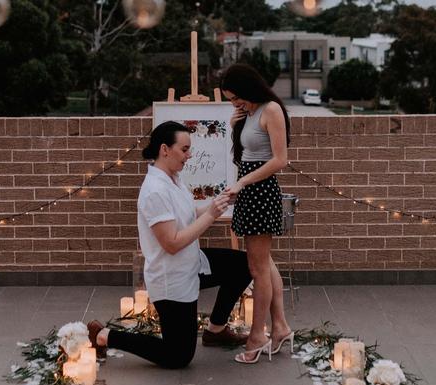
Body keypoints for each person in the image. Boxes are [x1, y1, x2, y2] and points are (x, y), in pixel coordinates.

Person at [87, 121, 251, 369]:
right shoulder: (154, 191)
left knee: (244, 265)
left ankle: (215, 330)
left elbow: (188, 214)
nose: (189, 155)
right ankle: (105, 336)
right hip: (171, 277)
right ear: (165, 149)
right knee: (178, 356)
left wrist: (220, 201)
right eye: (184, 149)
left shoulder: (173, 179)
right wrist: (211, 216)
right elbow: (172, 244)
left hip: (192, 262)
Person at [220, 63, 294, 364]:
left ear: (249, 88)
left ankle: (257, 335)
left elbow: (280, 160)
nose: (233, 102)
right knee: (264, 263)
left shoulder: (271, 109)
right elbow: (247, 153)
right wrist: (234, 122)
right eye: (229, 99)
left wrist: (243, 181)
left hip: (260, 191)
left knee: (257, 268)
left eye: (235, 96)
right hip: (251, 189)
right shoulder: (247, 113)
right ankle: (280, 328)